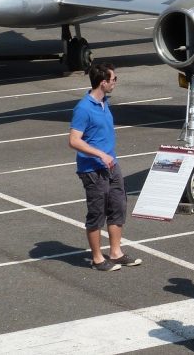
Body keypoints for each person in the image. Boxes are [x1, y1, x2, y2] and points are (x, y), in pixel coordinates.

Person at [68, 61, 141, 272]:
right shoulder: (83, 108)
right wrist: (100, 154)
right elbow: (74, 140)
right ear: (103, 83)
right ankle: (97, 258)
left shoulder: (103, 102)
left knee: (118, 206)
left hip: (111, 164)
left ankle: (116, 253)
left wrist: (108, 157)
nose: (115, 83)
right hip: (92, 169)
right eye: (113, 79)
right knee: (97, 212)